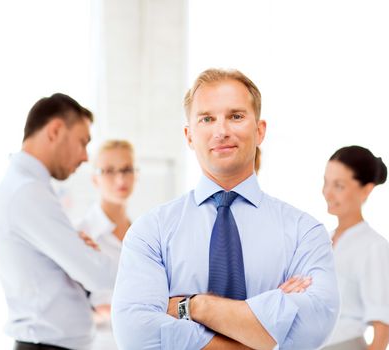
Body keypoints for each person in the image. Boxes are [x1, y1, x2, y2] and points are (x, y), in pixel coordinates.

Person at [111, 68, 340, 349]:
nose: (222, 131)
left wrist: (194, 306)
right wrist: (267, 322)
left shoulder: (305, 232)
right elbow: (136, 336)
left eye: (236, 116)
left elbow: (313, 326)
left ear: (260, 130)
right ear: (189, 135)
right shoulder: (152, 231)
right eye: (207, 119)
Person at [0, 93, 118, 350]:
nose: (84, 157)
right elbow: (94, 273)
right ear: (55, 130)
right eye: (82, 142)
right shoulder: (26, 192)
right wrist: (152, 275)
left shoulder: (27, 188)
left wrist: (79, 253)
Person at [321, 146, 389, 350]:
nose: (327, 192)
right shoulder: (324, 241)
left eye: (339, 186)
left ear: (366, 189)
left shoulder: (375, 247)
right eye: (325, 182)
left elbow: (381, 337)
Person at [77, 139, 137, 349]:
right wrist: (102, 313)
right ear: (95, 178)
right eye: (109, 171)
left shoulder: (143, 233)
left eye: (127, 169)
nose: (120, 178)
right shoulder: (82, 234)